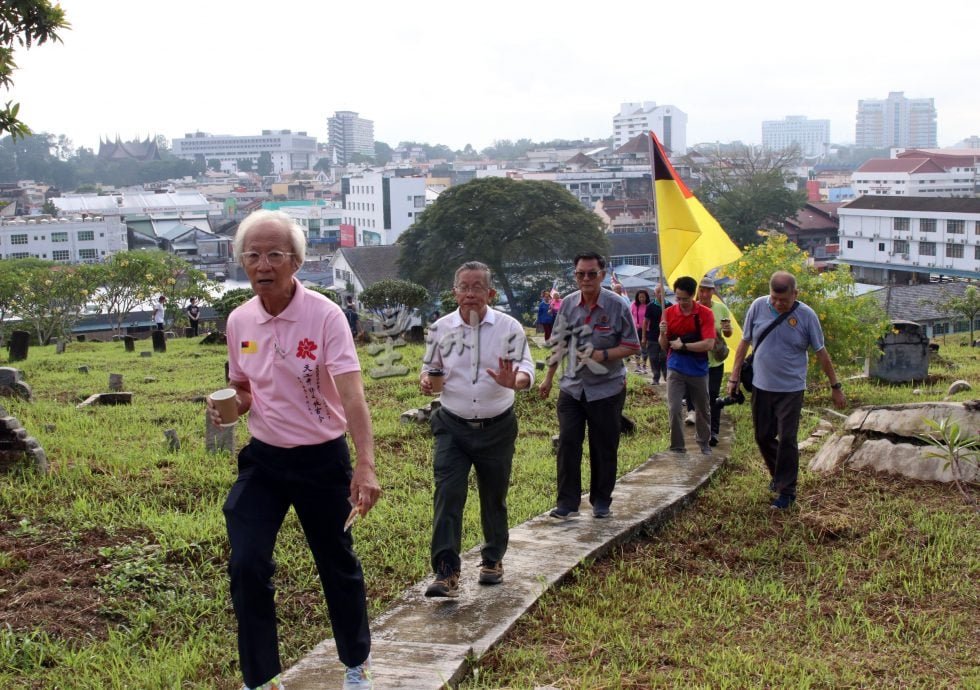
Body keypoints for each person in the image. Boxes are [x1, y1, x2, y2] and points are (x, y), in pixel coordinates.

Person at [207, 210, 380, 690]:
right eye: (253, 255)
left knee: (336, 561)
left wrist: (365, 464)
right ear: (243, 261)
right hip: (264, 459)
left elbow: (353, 396)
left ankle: (355, 662)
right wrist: (231, 409)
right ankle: (262, 679)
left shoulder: (325, 316)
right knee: (246, 563)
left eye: (274, 255)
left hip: (322, 458)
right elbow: (243, 389)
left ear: (296, 262)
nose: (263, 264)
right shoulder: (239, 319)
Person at [420, 261, 534, 597]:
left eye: (477, 287)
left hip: (497, 427)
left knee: (493, 497)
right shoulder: (440, 329)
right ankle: (445, 572)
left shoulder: (509, 327)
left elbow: (525, 369)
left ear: (490, 292)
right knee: (448, 494)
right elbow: (429, 370)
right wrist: (426, 381)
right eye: (464, 287)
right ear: (454, 291)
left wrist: (517, 381)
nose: (470, 294)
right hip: (451, 425)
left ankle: (493, 559)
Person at [727, 271, 846, 510]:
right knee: (762, 436)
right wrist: (734, 376)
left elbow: (821, 352)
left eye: (784, 300)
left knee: (788, 439)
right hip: (761, 385)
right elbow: (744, 342)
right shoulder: (758, 307)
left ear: (795, 294)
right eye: (774, 298)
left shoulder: (806, 316)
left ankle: (787, 491)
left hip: (791, 389)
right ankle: (777, 476)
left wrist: (835, 386)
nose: (778, 304)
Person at [539, 252, 639, 519]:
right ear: (575, 275)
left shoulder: (617, 305)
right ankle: (567, 503)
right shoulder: (568, 305)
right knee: (568, 443)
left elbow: (632, 345)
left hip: (607, 388)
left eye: (592, 274)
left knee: (604, 446)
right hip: (572, 387)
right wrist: (548, 378)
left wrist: (602, 355)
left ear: (602, 275)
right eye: (580, 274)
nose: (586, 279)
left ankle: (601, 501)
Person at [659, 275, 716, 455]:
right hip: (675, 366)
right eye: (678, 298)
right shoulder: (668, 313)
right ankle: (677, 446)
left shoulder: (705, 314)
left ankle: (703, 442)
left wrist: (684, 346)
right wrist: (662, 334)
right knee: (674, 407)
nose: (681, 302)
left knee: (702, 409)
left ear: (693, 295)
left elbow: (708, 344)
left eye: (685, 299)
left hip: (698, 368)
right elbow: (664, 345)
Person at [688, 277, 732, 446]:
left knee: (713, 395)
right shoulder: (692, 309)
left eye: (708, 290)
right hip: (696, 362)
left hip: (715, 361)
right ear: (698, 291)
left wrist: (727, 331)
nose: (705, 293)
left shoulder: (721, 309)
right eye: (702, 290)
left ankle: (713, 431)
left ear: (713, 291)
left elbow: (726, 334)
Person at [642, 285, 670, 385]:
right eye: (658, 292)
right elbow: (645, 322)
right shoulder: (650, 306)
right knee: (653, 357)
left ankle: (667, 377)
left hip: (665, 337)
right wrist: (644, 337)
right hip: (653, 336)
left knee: (664, 357)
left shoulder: (669, 305)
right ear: (655, 293)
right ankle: (656, 377)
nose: (660, 294)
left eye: (662, 292)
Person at [630, 289, 650, 375]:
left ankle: (644, 366)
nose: (642, 299)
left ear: (646, 297)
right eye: (640, 297)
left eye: (643, 297)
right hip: (637, 329)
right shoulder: (634, 305)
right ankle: (638, 366)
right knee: (637, 348)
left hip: (647, 329)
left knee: (645, 348)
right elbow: (630, 316)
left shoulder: (649, 305)